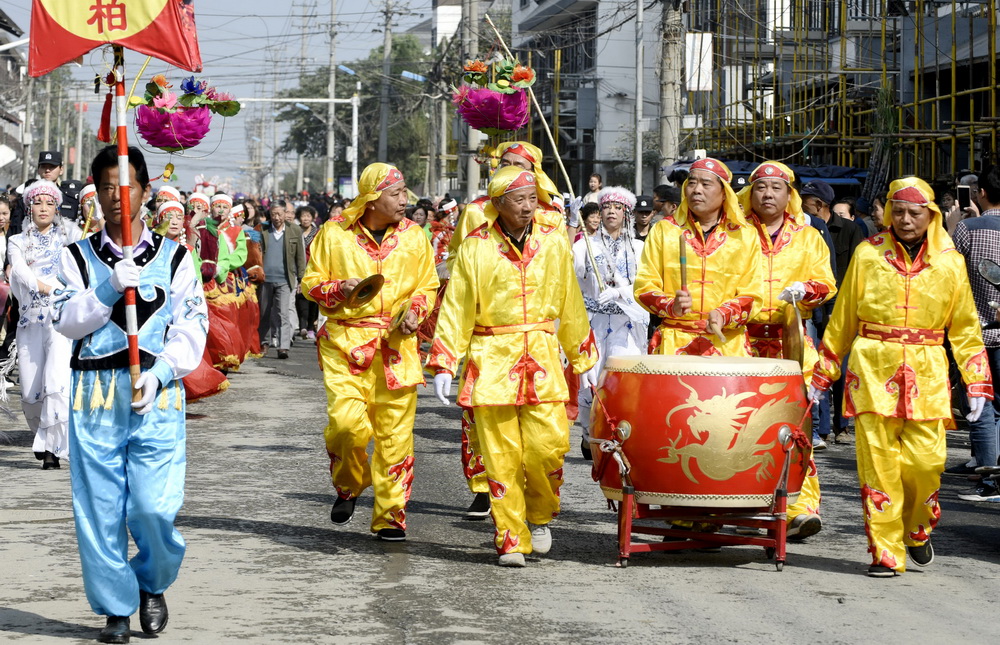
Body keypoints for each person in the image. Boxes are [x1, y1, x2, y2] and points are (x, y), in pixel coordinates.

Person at [54, 145, 207, 640]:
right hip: (94, 393)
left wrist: (162, 373)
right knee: (99, 507)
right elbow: (66, 321)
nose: (118, 197)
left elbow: (191, 329)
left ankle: (152, 580)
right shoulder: (75, 257)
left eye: (128, 187)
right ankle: (115, 607)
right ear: (96, 195)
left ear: (144, 189)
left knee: (152, 508)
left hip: (155, 394)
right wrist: (104, 290)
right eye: (106, 189)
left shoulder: (177, 257)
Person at [810, 177, 992, 577]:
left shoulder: (950, 261)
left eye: (915, 213)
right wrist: (824, 371)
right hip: (872, 370)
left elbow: (963, 326)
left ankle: (917, 528)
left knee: (927, 463)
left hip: (927, 370)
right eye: (899, 211)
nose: (906, 220)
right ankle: (886, 552)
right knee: (879, 467)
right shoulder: (867, 254)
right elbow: (844, 317)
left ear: (932, 215)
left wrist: (977, 379)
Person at [428, 166, 598, 567]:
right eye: (518, 199)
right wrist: (444, 361)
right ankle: (510, 537)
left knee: (548, 448)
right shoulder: (475, 246)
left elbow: (569, 299)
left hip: (540, 353)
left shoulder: (553, 242)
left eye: (532, 198)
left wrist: (582, 355)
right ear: (498, 204)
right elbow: (457, 306)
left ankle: (539, 516)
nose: (527, 206)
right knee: (500, 455)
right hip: (491, 359)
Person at [302, 163, 437, 541]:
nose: (404, 200)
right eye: (396, 193)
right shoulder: (334, 234)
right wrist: (337, 289)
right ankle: (349, 484)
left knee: (396, 438)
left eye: (404, 191)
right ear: (371, 199)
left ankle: (390, 517)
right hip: (346, 346)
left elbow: (427, 286)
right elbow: (310, 284)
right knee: (347, 427)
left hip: (398, 349)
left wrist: (416, 312)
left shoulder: (415, 237)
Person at [443, 141, 568, 519]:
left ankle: (539, 511)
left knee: (548, 444)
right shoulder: (477, 215)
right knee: (489, 438)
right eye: (505, 165)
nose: (508, 170)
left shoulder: (553, 221)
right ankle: (493, 501)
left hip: (541, 344)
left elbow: (565, 290)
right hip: (491, 345)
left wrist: (573, 345)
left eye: (519, 166)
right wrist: (449, 354)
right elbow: (459, 275)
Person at [738, 161, 838, 539]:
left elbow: (827, 283)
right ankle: (731, 503)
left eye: (776, 188)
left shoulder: (808, 236)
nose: (767, 195)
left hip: (790, 342)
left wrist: (805, 291)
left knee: (796, 428)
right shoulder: (736, 233)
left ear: (789, 195)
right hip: (740, 341)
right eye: (761, 187)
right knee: (739, 427)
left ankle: (799, 506)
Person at [634, 157, 763, 357]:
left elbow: (753, 294)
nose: (697, 190)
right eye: (692, 183)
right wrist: (671, 306)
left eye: (706, 184)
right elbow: (644, 286)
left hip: (726, 344)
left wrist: (724, 315)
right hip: (675, 343)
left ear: (724, 194)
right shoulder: (665, 230)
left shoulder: (744, 235)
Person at [574, 187, 648, 459]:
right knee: (590, 384)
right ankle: (587, 434)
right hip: (593, 323)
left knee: (622, 381)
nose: (612, 212)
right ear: (599, 213)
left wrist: (621, 292)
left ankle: (620, 438)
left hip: (626, 324)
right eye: (607, 208)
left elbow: (646, 284)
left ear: (626, 213)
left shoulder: (639, 248)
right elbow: (571, 279)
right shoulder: (585, 245)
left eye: (618, 208)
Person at [7, 180, 73, 470]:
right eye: (37, 202)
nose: (43, 208)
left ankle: (52, 449)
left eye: (49, 203)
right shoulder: (17, 242)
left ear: (56, 207)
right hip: (30, 321)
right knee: (30, 392)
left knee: (56, 381)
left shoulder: (69, 238)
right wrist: (46, 288)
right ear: (28, 207)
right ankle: (41, 436)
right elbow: (20, 274)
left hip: (60, 321)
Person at [951, 163, 1000, 500]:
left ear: (980, 193)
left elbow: (949, 275)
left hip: (976, 332)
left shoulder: (969, 229)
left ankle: (989, 480)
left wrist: (953, 226)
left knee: (980, 406)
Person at [258, 200, 305, 359]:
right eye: (273, 214)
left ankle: (283, 347)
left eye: (279, 214)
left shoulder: (294, 230)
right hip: (265, 279)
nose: (276, 217)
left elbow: (300, 257)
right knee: (264, 313)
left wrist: (301, 278)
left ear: (286, 214)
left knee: (283, 313)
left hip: (285, 279)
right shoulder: (263, 230)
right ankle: (264, 343)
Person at [295, 205, 320, 340]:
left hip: (313, 268)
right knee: (299, 298)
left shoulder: (317, 233)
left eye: (308, 216)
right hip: (298, 268)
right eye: (303, 216)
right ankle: (302, 326)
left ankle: (311, 326)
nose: (305, 219)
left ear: (312, 217)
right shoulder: (295, 231)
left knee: (312, 298)